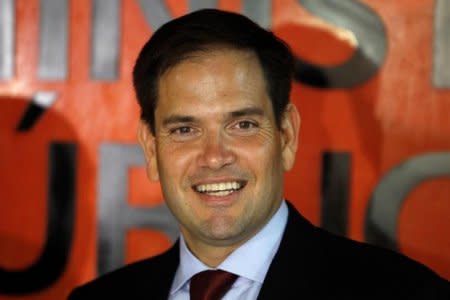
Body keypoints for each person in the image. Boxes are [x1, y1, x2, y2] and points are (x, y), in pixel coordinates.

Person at [68, 8, 450, 300]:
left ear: (286, 135)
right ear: (151, 148)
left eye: (243, 125)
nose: (214, 156)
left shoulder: (404, 292)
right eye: (185, 130)